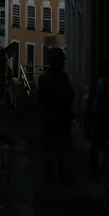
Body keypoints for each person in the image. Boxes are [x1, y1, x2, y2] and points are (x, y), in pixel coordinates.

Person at [38, 47, 75, 184]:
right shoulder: (63, 77)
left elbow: (41, 98)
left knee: (49, 147)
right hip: (61, 117)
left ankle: (49, 175)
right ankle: (60, 173)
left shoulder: (43, 78)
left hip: (49, 117)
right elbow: (70, 95)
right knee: (62, 147)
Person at [88, 60, 109, 178]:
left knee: (97, 144)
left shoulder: (100, 82)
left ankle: (96, 168)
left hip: (98, 114)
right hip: (104, 115)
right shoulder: (107, 83)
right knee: (103, 143)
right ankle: (101, 168)